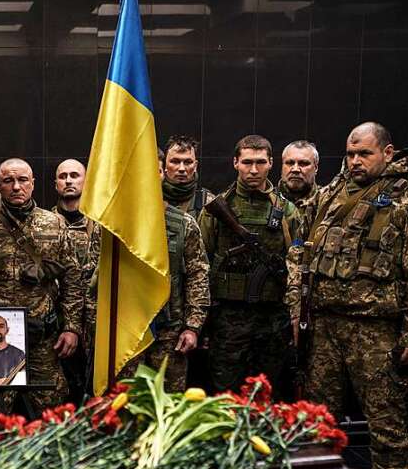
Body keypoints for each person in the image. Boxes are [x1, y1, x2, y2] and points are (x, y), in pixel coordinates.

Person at [290, 122, 408, 469]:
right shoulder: (333, 194)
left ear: (387, 153)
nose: (355, 161)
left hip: (376, 331)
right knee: (318, 420)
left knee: (387, 425)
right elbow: (300, 252)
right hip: (324, 327)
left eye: (364, 154)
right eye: (351, 154)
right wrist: (297, 310)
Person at [0, 158, 83, 415]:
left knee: (51, 409)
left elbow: (73, 279)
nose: (16, 187)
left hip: (42, 336)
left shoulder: (55, 225)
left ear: (33, 184)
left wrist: (72, 327)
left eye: (22, 180)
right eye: (8, 181)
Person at [199, 134, 299, 393]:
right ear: (235, 163)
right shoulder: (217, 209)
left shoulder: (287, 211)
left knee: (267, 393)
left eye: (260, 162)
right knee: (225, 394)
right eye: (246, 162)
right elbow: (201, 264)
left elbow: (298, 265)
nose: (253, 169)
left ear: (271, 163)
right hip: (228, 319)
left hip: (272, 319)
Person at [120, 148, 210, 391]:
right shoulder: (114, 225)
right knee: (125, 403)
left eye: (155, 170)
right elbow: (92, 276)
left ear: (162, 174)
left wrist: (193, 326)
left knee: (169, 404)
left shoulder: (183, 223)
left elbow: (197, 276)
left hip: (170, 332)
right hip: (125, 332)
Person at [52, 158, 99, 400]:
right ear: (55, 184)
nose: (68, 180)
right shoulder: (44, 225)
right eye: (63, 176)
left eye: (74, 175)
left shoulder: (102, 224)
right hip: (57, 321)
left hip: (95, 320)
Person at [162, 135, 216, 219]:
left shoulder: (208, 202)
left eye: (188, 162)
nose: (181, 169)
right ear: (165, 165)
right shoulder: (152, 198)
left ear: (195, 166)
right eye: (175, 162)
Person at [277, 140, 320, 226]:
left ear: (315, 168)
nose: (295, 169)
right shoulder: (269, 200)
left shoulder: (327, 203)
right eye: (290, 163)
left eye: (303, 163)